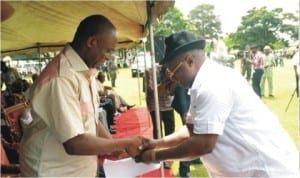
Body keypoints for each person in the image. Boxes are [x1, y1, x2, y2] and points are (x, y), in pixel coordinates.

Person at [137, 30, 299, 177]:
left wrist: (153, 156)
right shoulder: (201, 83)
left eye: (173, 71)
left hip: (267, 172)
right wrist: (157, 144)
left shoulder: (212, 84)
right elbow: (192, 130)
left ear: (189, 61)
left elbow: (203, 144)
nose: (172, 77)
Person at [19, 15, 147, 177]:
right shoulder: (62, 77)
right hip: (53, 172)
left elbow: (91, 120)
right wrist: (125, 143)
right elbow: (74, 143)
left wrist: (114, 146)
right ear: (91, 42)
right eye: (108, 50)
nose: (109, 56)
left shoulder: (85, 72)